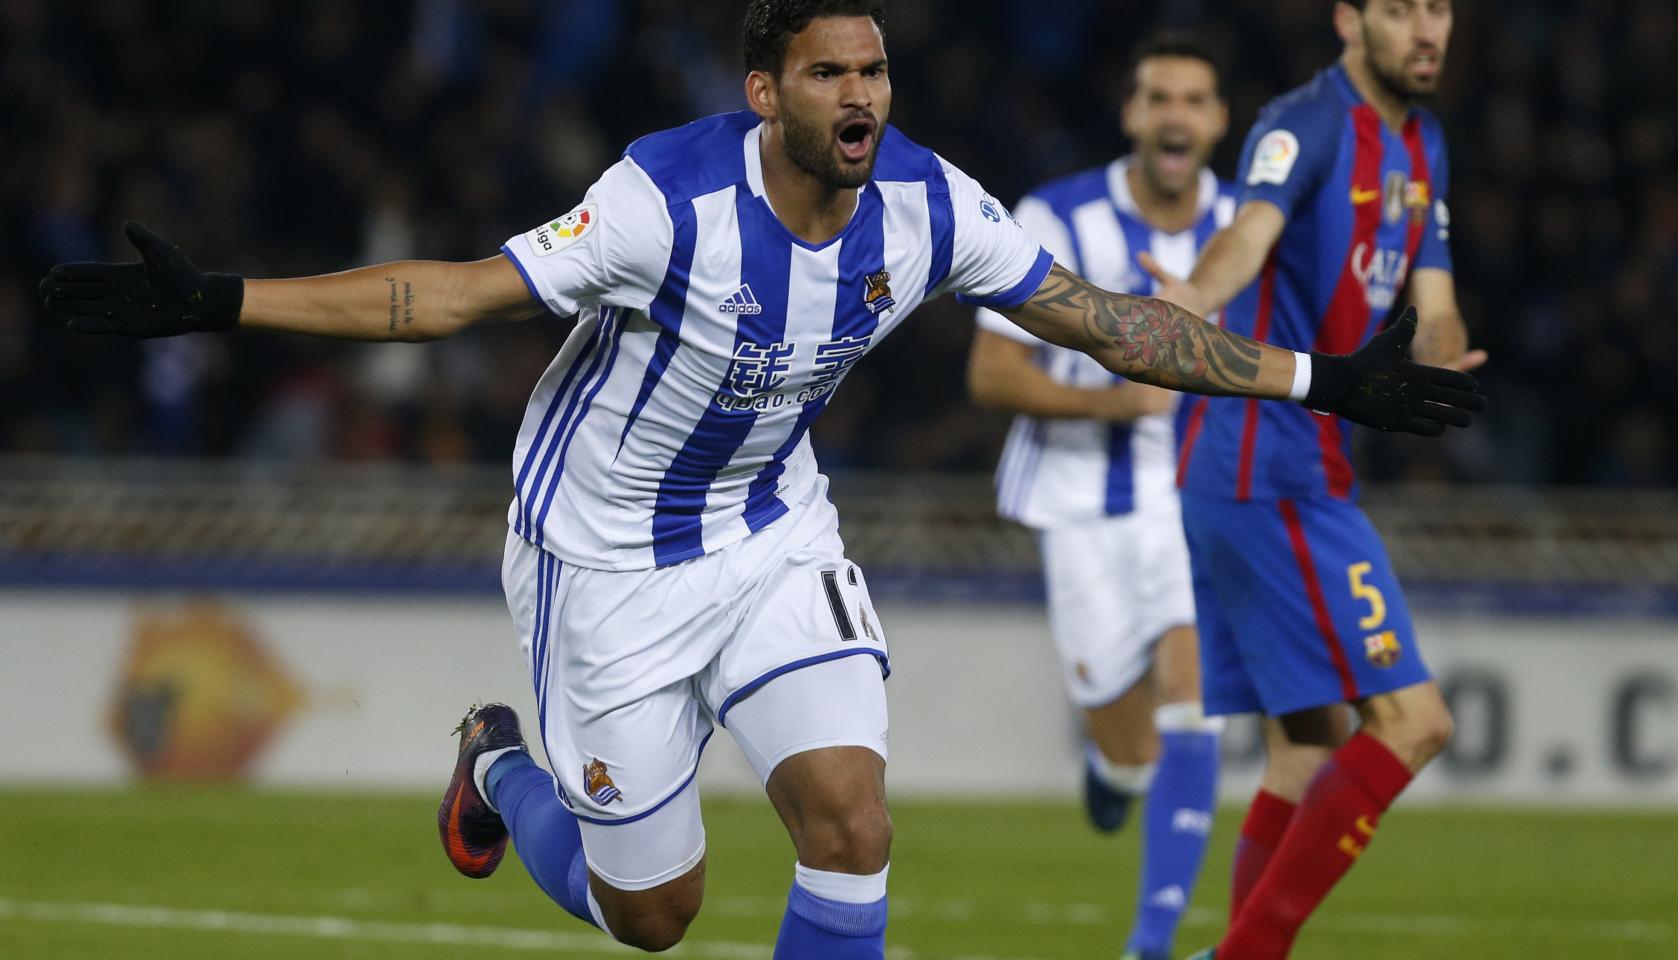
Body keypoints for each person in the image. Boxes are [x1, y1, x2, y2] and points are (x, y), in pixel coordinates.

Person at [39, 2, 1482, 956]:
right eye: (827, 75)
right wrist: (225, 301)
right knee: (652, 914)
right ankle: (495, 763)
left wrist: (1324, 377)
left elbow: (1111, 324)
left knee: (851, 817)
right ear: (762, 91)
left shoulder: (924, 202)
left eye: (873, 71)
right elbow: (451, 297)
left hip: (772, 537)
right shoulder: (658, 198)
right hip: (598, 556)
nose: (860, 97)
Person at [1135, 3, 1484, 958]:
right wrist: (1193, 302)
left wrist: (1445, 358)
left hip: (1266, 469)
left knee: (1305, 748)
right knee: (1415, 720)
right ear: (1349, 19)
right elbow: (1250, 231)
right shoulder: (1307, 122)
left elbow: (1435, 298)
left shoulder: (1426, 144)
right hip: (1265, 464)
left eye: (1440, 8)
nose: (1428, 30)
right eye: (1402, 9)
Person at [965, 34, 1231, 960]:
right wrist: (1117, 395)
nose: (1175, 116)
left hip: (1194, 501)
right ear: (1131, 114)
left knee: (1196, 704)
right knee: (1129, 752)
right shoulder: (1058, 216)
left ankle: (1151, 944)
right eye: (1159, 97)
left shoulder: (1245, 228)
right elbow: (992, 371)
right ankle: (1111, 769)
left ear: (1217, 122)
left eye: (1194, 100)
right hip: (1077, 502)